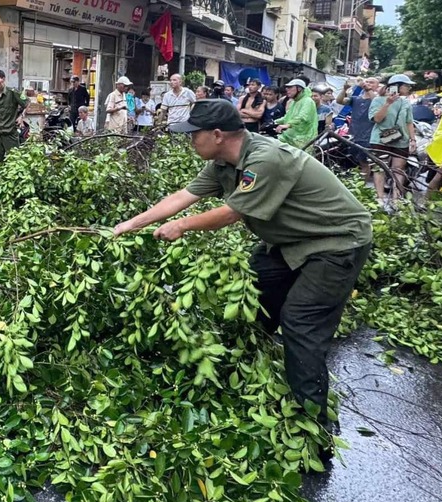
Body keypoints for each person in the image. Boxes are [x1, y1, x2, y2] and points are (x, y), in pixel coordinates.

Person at [113, 100, 372, 426]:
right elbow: (183, 196)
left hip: (336, 242)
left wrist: (182, 226)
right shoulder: (222, 164)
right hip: (287, 242)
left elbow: (232, 213)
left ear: (217, 134)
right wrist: (131, 224)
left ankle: (312, 423)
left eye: (195, 134)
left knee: (300, 322)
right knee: (255, 292)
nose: (191, 141)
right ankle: (251, 373)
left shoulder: (265, 159)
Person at [369, 73, 416, 208]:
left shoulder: (406, 102)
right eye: (406, 85)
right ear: (396, 86)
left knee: (399, 169)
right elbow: (377, 119)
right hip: (380, 139)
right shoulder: (378, 100)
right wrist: (388, 103)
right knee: (379, 167)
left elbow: (409, 122)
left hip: (401, 139)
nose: (408, 88)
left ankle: (396, 199)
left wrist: (412, 140)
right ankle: (380, 198)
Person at [336, 76, 378, 184]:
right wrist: (344, 89)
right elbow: (339, 100)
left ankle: (362, 186)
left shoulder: (377, 99)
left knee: (365, 163)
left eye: (371, 82)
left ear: (377, 86)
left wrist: (369, 90)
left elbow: (377, 103)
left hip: (369, 136)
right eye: (366, 81)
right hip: (354, 134)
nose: (367, 83)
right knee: (355, 162)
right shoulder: (356, 99)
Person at [0, 70, 28, 167]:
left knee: (14, 160)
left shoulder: (13, 93)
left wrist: (21, 117)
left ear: (3, 79)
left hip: (10, 132)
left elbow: (27, 103)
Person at [274, 79, 317, 149]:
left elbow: (302, 117)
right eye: (287, 87)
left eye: (290, 87)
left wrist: (287, 125)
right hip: (291, 136)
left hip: (303, 138)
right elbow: (287, 117)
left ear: (299, 88)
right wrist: (274, 122)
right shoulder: (294, 102)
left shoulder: (308, 101)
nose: (287, 89)